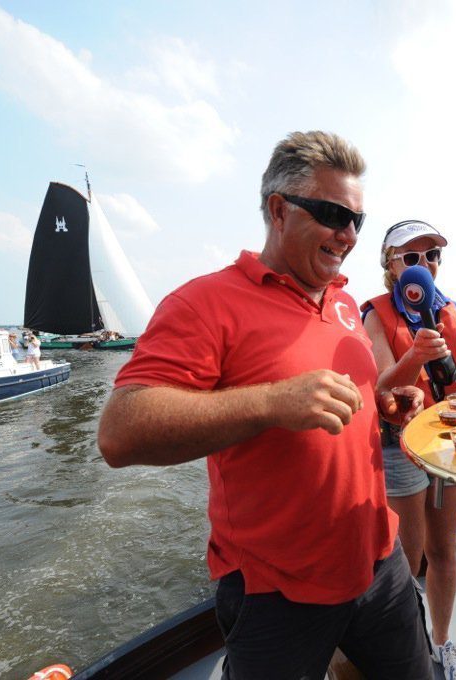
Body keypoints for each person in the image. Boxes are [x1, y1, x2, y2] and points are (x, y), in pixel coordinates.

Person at [97, 130, 433, 680]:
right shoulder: (205, 303)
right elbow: (120, 432)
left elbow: (337, 405)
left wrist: (380, 402)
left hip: (379, 559)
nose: (347, 234)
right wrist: (273, 401)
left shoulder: (346, 303)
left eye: (356, 221)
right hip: (276, 588)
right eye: (331, 214)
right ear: (279, 210)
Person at [361, 219, 456, 680]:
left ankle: (444, 642)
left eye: (432, 256)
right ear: (391, 267)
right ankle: (405, 647)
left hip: (451, 446)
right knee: (407, 558)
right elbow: (377, 384)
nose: (424, 265)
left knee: (444, 550)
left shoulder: (454, 311)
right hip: (400, 446)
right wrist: (415, 356)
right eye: (412, 257)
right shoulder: (375, 313)